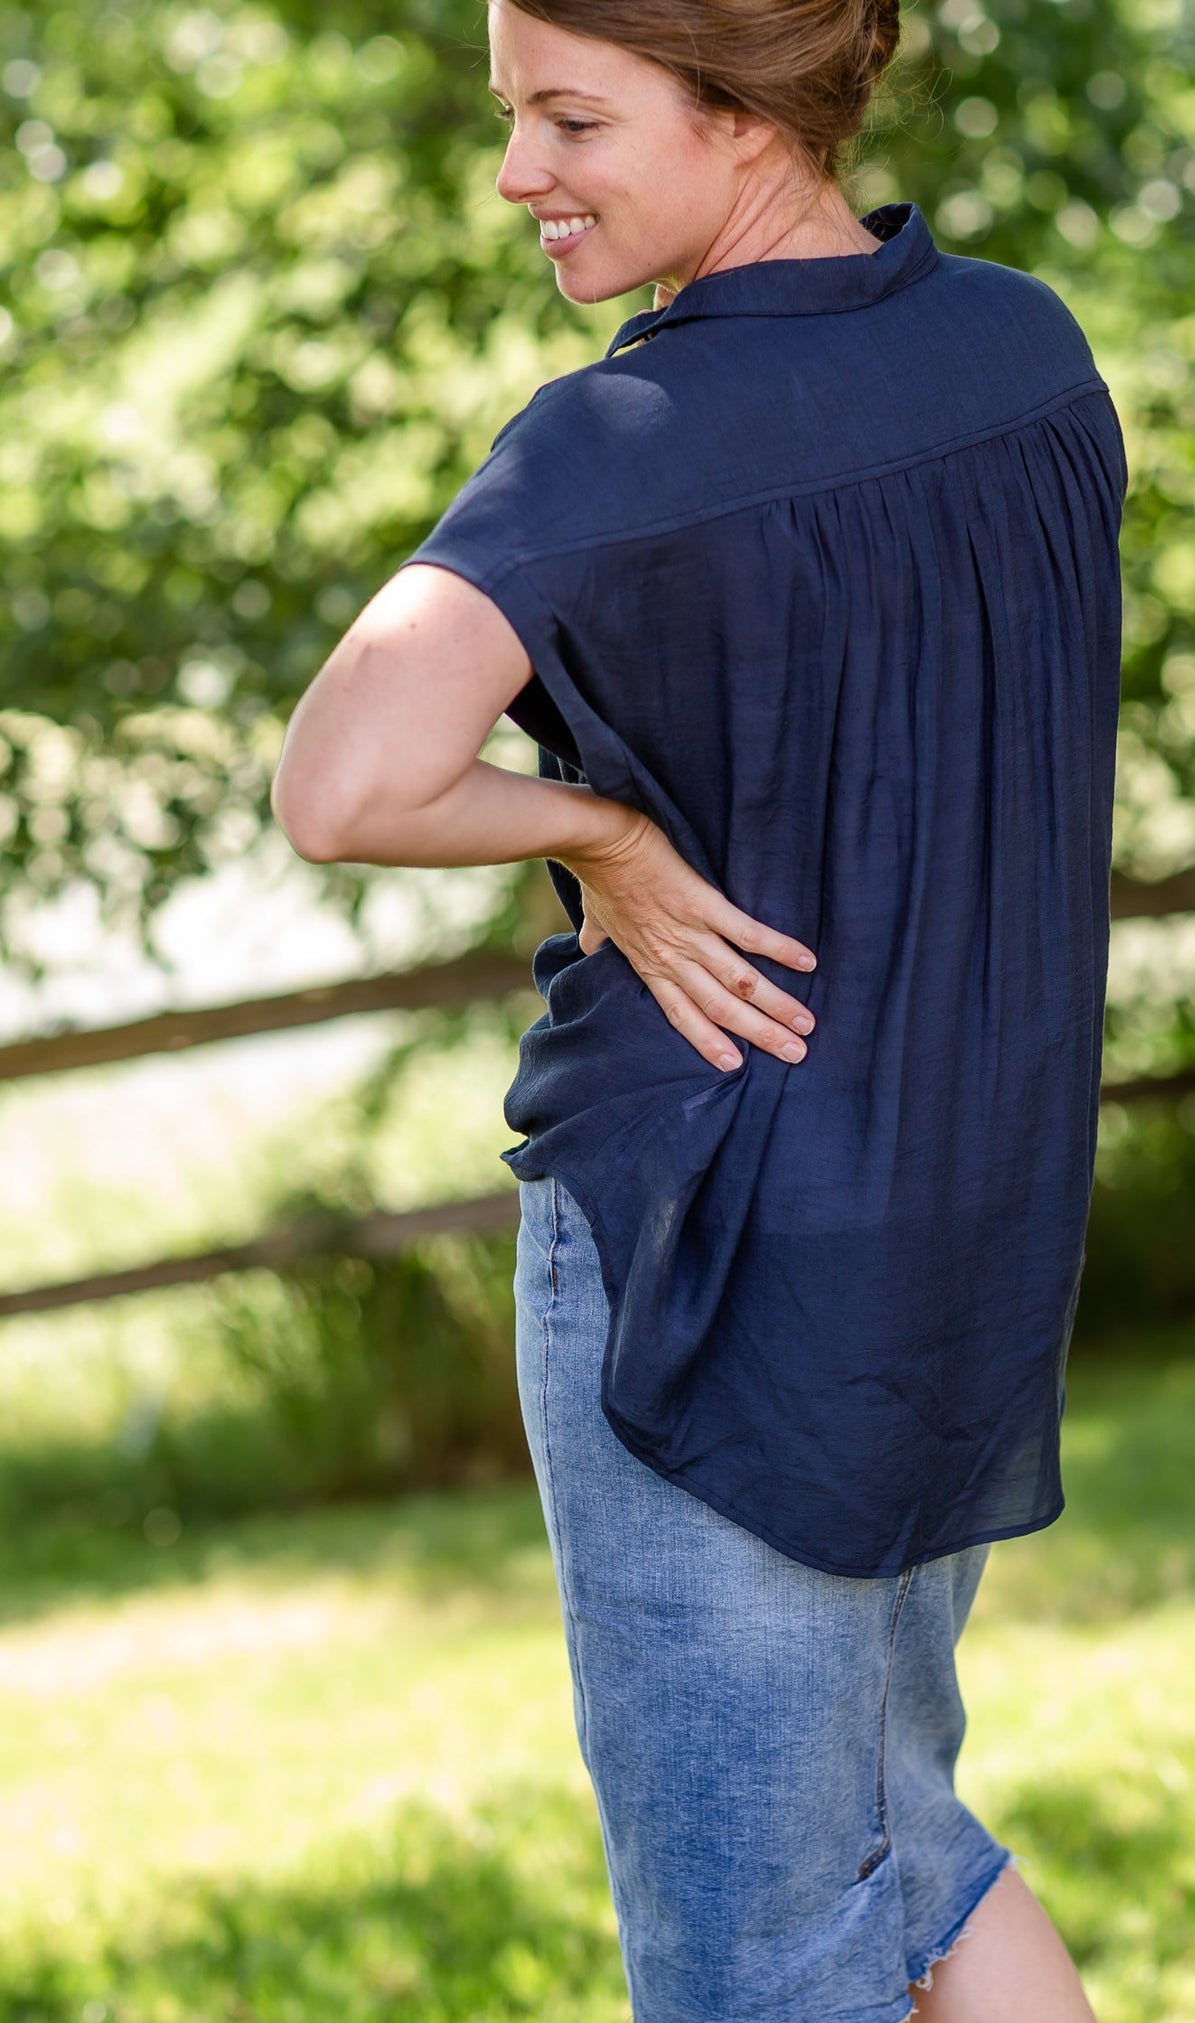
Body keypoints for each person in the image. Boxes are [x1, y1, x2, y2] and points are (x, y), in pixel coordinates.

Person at [272, 0, 1125, 2015]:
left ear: (749, 121)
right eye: (512, 117)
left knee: (755, 1950)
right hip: (965, 1237)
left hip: (709, 1265)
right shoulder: (1028, 353)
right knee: (898, 1838)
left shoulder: (627, 440)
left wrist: (613, 842)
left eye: (572, 119)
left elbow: (340, 782)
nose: (517, 177)